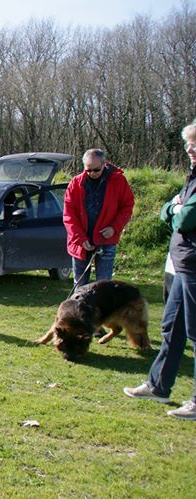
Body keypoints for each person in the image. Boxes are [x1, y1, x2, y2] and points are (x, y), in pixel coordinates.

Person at [124, 120, 196, 420]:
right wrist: (174, 208)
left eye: (194, 144)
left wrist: (177, 210)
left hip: (193, 265)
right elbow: (168, 211)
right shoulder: (192, 177)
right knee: (172, 327)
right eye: (188, 144)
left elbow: (185, 218)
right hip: (182, 264)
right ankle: (158, 385)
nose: (190, 149)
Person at [63, 148, 135, 286]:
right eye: (88, 170)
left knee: (104, 286)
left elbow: (127, 207)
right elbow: (69, 214)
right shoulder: (75, 183)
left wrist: (114, 228)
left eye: (96, 170)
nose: (92, 173)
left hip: (106, 240)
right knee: (79, 287)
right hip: (81, 242)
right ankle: (81, 309)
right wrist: (79, 238)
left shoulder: (118, 181)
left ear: (104, 164)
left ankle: (101, 308)